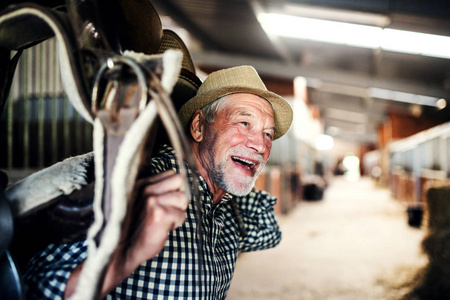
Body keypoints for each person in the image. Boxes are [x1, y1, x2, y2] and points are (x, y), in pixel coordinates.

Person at [24, 65, 293, 299]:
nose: (260, 145)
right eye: (244, 123)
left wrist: (236, 182)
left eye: (267, 134)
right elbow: (34, 290)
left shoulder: (225, 203)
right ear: (198, 127)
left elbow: (270, 233)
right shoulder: (135, 188)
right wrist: (129, 255)